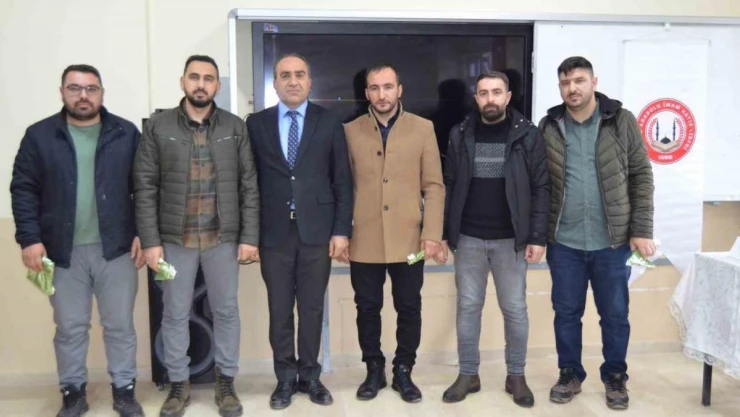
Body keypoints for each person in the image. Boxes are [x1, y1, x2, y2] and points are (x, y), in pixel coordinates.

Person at [10, 64, 144, 417]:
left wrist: (143, 233)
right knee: (70, 328)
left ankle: (124, 391)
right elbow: (23, 189)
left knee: (120, 326)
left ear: (101, 93)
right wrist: (29, 239)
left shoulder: (125, 133)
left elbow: (144, 188)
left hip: (116, 249)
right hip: (61, 251)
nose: (83, 96)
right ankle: (73, 393)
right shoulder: (39, 136)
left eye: (91, 89)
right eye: (75, 88)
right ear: (62, 92)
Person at [134, 55, 259, 417]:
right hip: (176, 241)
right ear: (183, 82)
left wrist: (249, 237)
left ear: (217, 85)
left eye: (208, 78)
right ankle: (178, 384)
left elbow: (249, 186)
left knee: (227, 311)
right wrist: (150, 241)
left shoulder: (235, 127)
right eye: (194, 77)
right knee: (174, 313)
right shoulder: (159, 127)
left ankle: (226, 382)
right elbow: (144, 186)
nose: (201, 84)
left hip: (223, 239)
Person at [539, 56, 655, 410]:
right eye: (565, 83)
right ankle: (570, 373)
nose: (571, 88)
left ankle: (615, 376)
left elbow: (641, 175)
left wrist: (641, 229)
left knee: (615, 315)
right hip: (564, 242)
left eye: (578, 80)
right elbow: (538, 183)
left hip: (613, 242)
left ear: (594, 82)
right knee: (566, 313)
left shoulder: (621, 120)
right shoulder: (549, 125)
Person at [246, 53, 352, 410]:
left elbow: (342, 180)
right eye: (285, 75)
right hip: (273, 233)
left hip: (317, 232)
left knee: (311, 309)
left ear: (309, 82)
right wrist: (249, 234)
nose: (293, 81)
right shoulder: (256, 124)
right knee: (279, 311)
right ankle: (284, 379)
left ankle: (310, 377)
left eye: (300, 74)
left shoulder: (329, 121)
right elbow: (249, 183)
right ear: (275, 83)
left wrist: (341, 231)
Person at [438, 72, 550, 407]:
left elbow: (541, 188)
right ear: (476, 98)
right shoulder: (459, 134)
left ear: (508, 96)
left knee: (514, 309)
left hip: (511, 240)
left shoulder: (528, 134)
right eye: (484, 93)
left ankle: (516, 375)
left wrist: (537, 236)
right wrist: (444, 233)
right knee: (468, 308)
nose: (490, 99)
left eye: (497, 92)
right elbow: (448, 184)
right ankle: (468, 374)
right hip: (468, 238)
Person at [342, 64, 444, 403]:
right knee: (367, 307)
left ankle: (403, 370)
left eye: (388, 86)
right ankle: (374, 369)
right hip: (363, 241)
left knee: (409, 305)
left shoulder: (423, 128)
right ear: (366, 93)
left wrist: (432, 233)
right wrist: (341, 233)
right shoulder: (350, 131)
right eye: (374, 88)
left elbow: (434, 185)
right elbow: (343, 187)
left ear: (399, 89)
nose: (381, 94)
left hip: (412, 244)